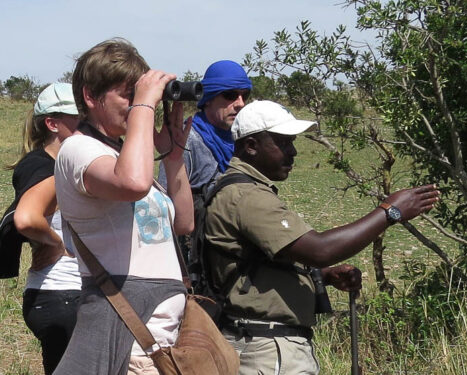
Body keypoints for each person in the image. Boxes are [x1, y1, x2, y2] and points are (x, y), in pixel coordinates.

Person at [202, 100, 440, 374]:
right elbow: (319, 249)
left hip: (267, 344)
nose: (293, 153)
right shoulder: (247, 197)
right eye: (283, 143)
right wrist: (389, 212)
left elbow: (261, 259)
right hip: (267, 349)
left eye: (292, 142)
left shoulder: (245, 189)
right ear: (251, 146)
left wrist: (323, 275)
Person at [52, 38, 193, 375]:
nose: (136, 105)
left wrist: (173, 157)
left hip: (160, 343)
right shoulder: (78, 149)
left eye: (138, 95)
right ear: (90, 96)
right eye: (127, 95)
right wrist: (144, 106)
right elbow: (132, 184)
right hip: (130, 345)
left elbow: (185, 223)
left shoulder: (123, 157)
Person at [0, 82, 82, 374]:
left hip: (64, 296)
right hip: (61, 294)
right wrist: (56, 244)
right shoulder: (41, 166)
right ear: (52, 123)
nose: (86, 122)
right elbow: (26, 219)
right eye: (78, 116)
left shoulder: (68, 164)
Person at [157, 59, 252, 191]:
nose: (240, 103)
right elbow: (166, 198)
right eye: (230, 95)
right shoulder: (186, 140)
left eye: (245, 95)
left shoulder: (243, 139)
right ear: (208, 98)